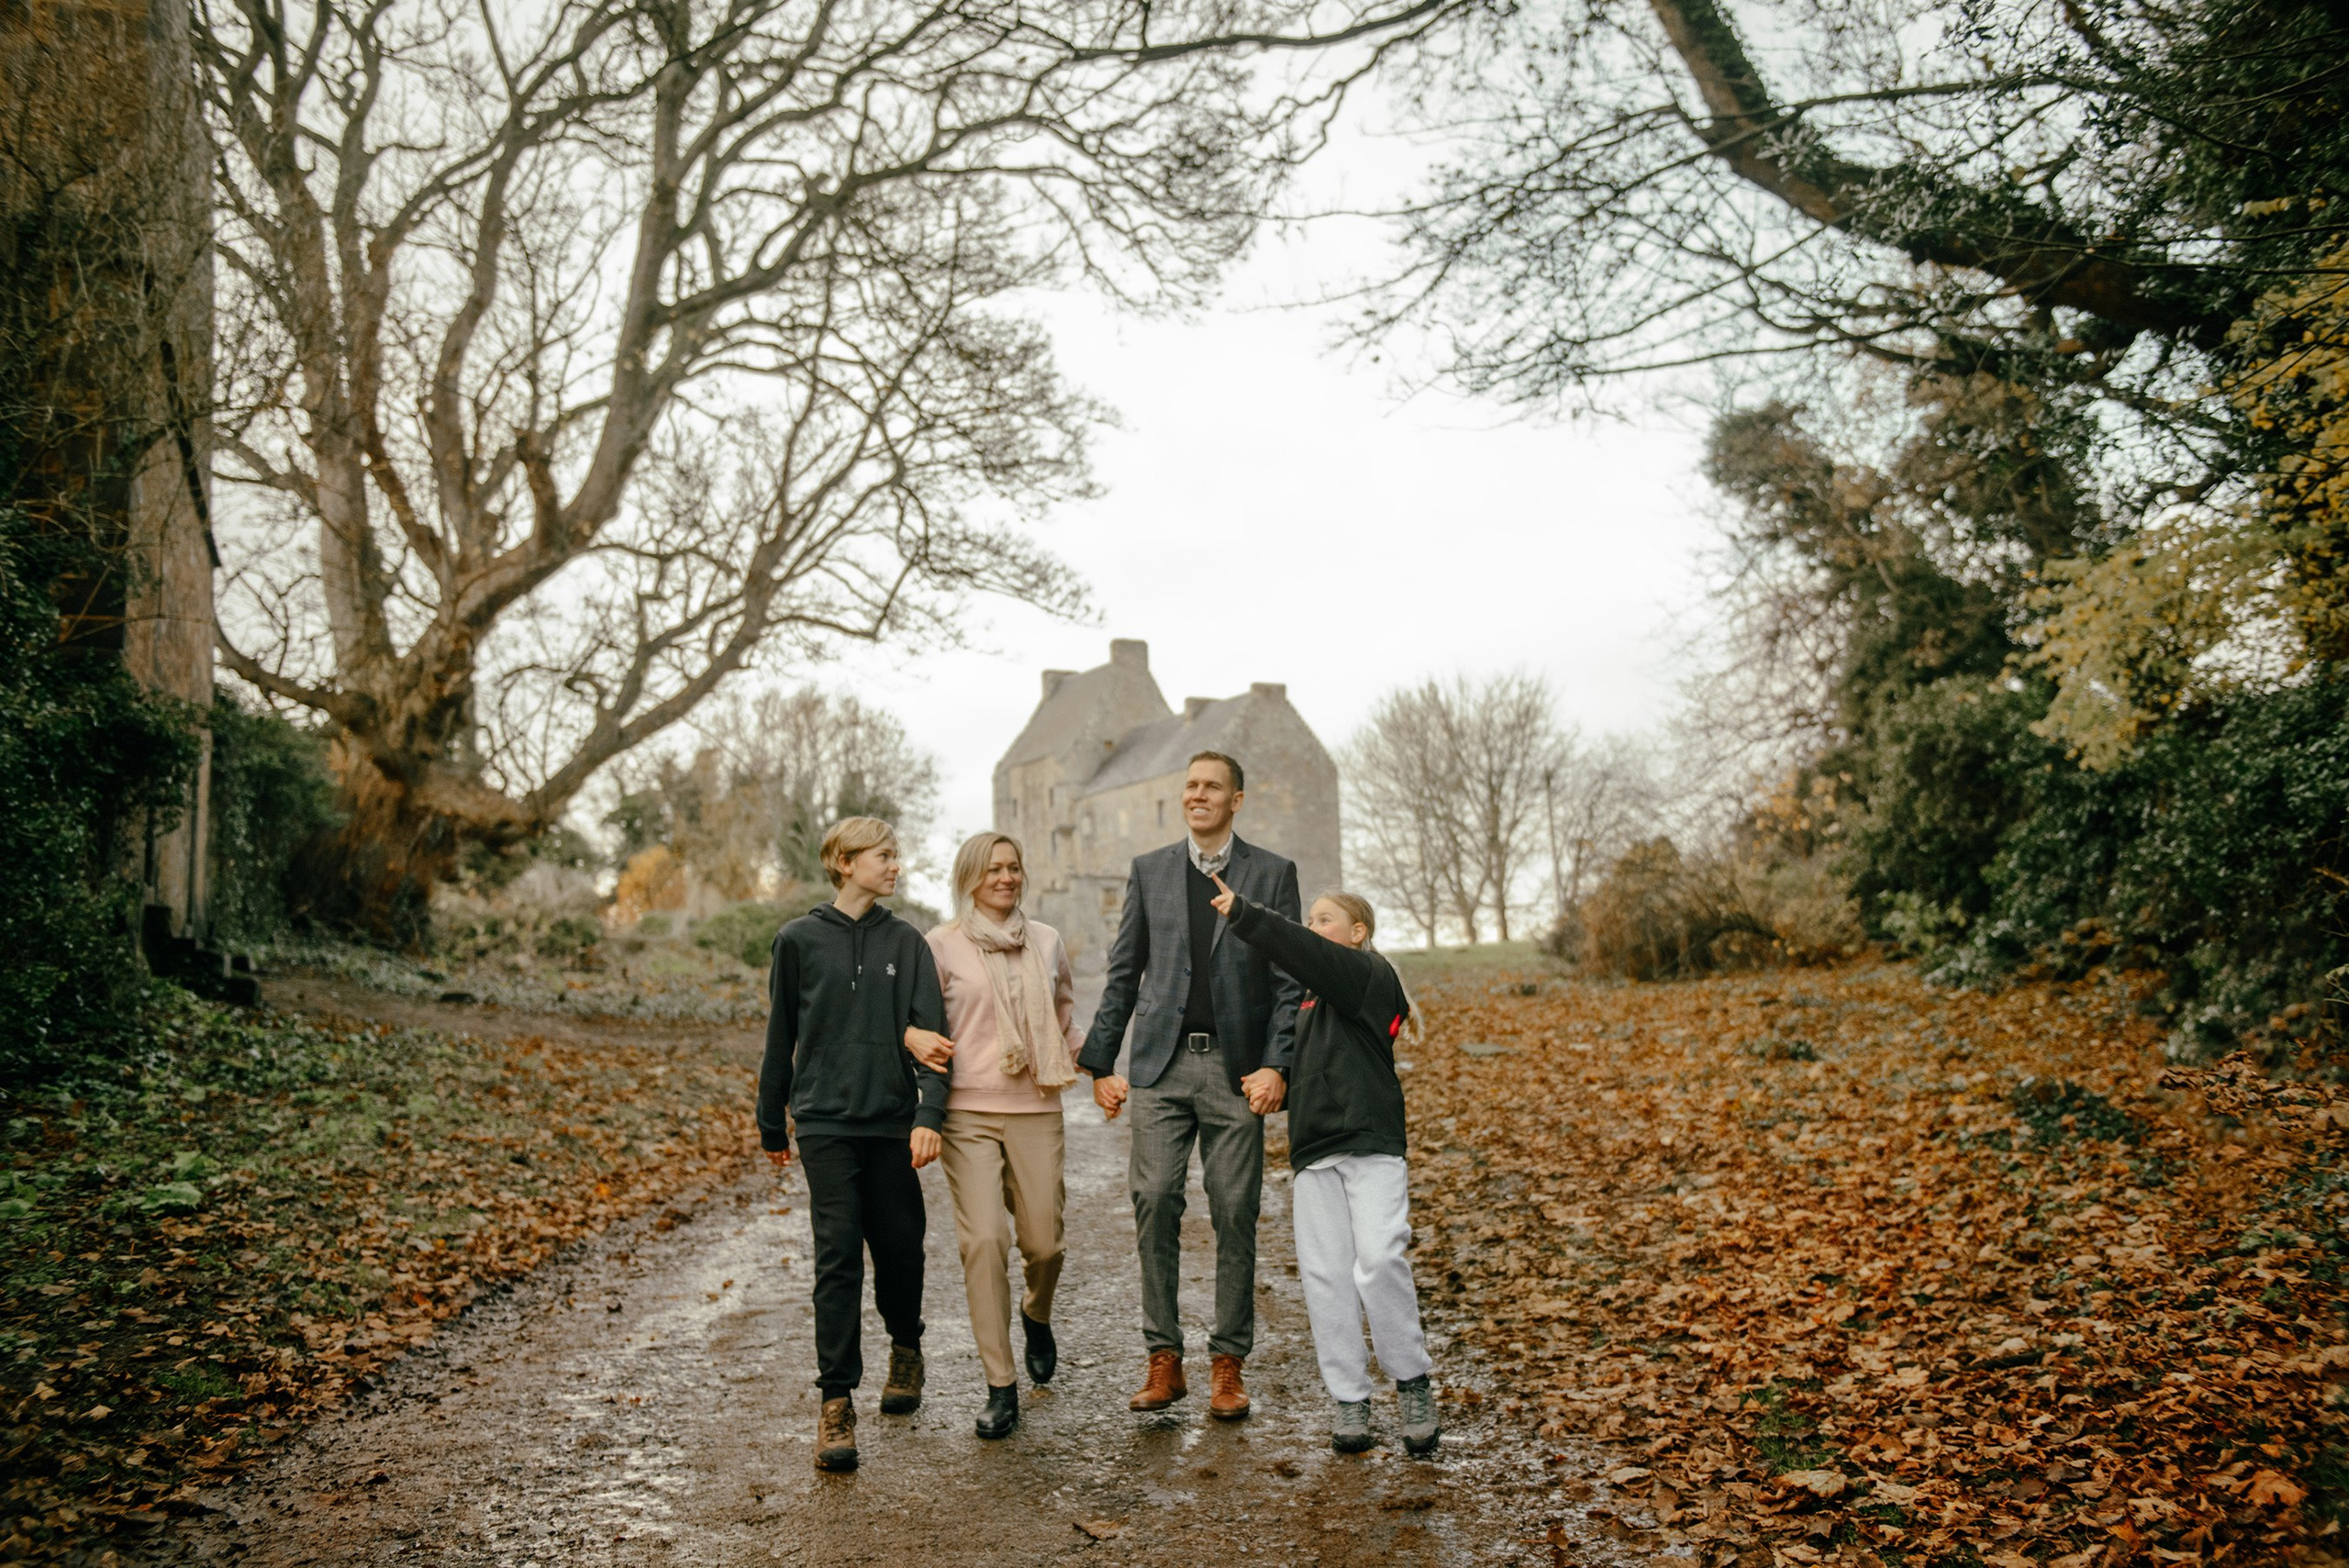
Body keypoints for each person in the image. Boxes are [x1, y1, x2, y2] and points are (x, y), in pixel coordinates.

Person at [1080, 751, 1301, 1419]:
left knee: (1236, 1208)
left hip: (1237, 1070)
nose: (1197, 795)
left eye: (1211, 787)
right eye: (1190, 786)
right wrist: (1099, 1064)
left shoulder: (1272, 872)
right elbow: (1124, 971)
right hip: (1160, 1064)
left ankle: (1228, 1364)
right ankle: (1164, 1359)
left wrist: (1277, 1064)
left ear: (1238, 798)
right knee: (1153, 1198)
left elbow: (1290, 980)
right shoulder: (1150, 870)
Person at [1206, 875, 1441, 1457]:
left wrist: (1248, 915)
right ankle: (1350, 1400)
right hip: (1315, 1152)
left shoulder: (1369, 976)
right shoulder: (1310, 1000)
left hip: (1372, 1145)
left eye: (1324, 919)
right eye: (1309, 920)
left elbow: (1304, 953)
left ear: (1357, 932)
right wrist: (1273, 1076)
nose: (1313, 929)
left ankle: (1411, 1382)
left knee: (1381, 1259)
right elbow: (1300, 1052)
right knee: (1327, 1277)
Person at [756, 817, 949, 1473]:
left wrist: (930, 1113)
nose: (895, 865)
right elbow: (781, 1034)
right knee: (837, 1256)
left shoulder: (909, 942)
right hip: (825, 1123)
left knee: (899, 1247)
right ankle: (836, 1401)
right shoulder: (798, 940)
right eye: (883, 855)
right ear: (843, 861)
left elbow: (934, 1039)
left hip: (893, 1123)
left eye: (897, 855)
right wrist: (769, 1119)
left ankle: (906, 1344)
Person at [924, 831, 1082, 1440]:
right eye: (993, 868)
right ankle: (1000, 1383)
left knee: (1045, 1243)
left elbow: (1064, 1018)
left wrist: (1100, 1069)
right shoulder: (939, 945)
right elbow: (923, 1024)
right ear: (969, 875)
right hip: (967, 1109)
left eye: (1014, 867)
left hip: (1037, 1104)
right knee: (984, 1239)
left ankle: (1035, 1313)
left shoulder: (1046, 940)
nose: (1006, 877)